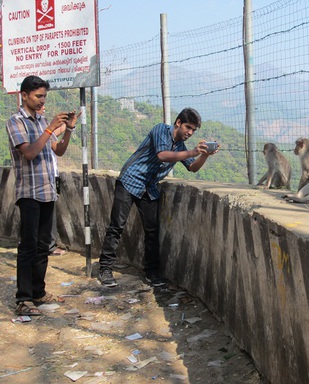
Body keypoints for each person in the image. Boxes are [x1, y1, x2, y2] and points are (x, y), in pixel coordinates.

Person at [98, 108, 218, 288]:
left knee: (152, 232)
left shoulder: (180, 147)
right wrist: (192, 152)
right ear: (178, 123)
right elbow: (162, 155)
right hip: (130, 180)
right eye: (188, 127)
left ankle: (152, 272)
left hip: (149, 187)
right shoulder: (160, 129)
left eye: (193, 130)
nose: (190, 133)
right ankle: (105, 268)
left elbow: (192, 168)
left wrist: (204, 156)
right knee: (117, 226)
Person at [5, 75, 80, 316]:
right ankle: (23, 297)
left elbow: (58, 150)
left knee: (41, 247)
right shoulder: (16, 122)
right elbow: (29, 152)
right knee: (28, 246)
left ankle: (38, 291)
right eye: (38, 96)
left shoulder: (42, 121)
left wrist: (68, 130)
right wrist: (49, 129)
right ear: (24, 95)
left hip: (48, 192)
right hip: (29, 193)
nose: (41, 101)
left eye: (44, 96)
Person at [37, 105, 68, 257]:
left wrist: (67, 126)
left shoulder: (44, 125)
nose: (44, 107)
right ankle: (49, 244)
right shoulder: (32, 126)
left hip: (51, 175)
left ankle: (47, 243)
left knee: (50, 209)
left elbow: (55, 140)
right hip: (40, 178)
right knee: (43, 214)